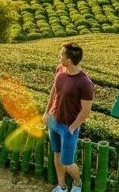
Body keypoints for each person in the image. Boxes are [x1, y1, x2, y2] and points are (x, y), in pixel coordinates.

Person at [43, 42, 94, 192]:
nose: (59, 55)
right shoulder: (60, 69)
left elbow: (86, 111)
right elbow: (54, 91)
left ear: (69, 61)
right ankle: (62, 187)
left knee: (67, 164)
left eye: (62, 54)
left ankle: (77, 184)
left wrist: (72, 128)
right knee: (56, 154)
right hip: (54, 120)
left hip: (68, 127)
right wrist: (47, 112)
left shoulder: (85, 83)